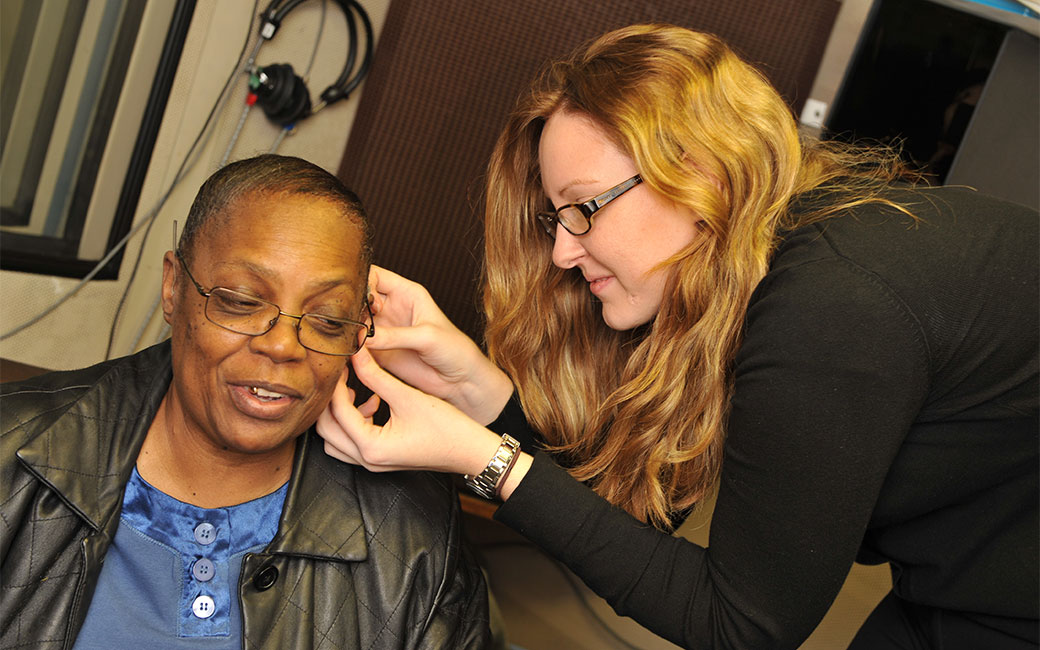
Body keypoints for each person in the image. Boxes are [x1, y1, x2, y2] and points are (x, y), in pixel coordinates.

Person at [316, 24, 1039, 650]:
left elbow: (741, 625)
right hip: (973, 571)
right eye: (554, 218)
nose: (564, 252)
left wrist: (485, 460)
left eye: (583, 208)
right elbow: (645, 511)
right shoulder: (767, 264)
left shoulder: (833, 304)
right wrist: (477, 391)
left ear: (699, 174)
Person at [0, 155, 491, 649]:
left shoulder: (416, 543)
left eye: (328, 320)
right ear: (173, 287)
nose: (282, 346)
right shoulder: (10, 455)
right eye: (240, 300)